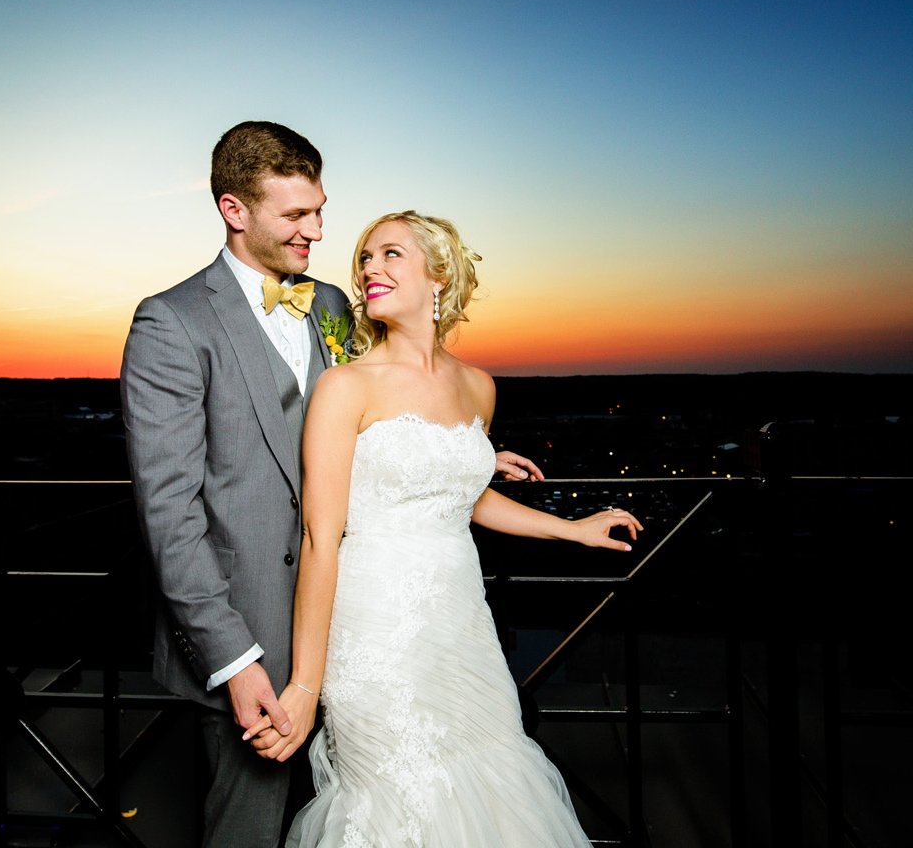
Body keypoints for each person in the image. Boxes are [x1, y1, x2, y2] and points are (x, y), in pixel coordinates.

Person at [121, 127, 545, 847]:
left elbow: (382, 409)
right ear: (235, 209)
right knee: (248, 829)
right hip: (245, 631)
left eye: (320, 210)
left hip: (362, 625)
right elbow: (169, 515)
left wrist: (463, 456)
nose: (318, 231)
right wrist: (232, 659)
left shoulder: (330, 308)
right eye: (296, 216)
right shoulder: (172, 322)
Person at [246, 210, 642, 847]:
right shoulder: (344, 387)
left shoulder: (478, 387)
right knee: (392, 802)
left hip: (463, 631)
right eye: (365, 258)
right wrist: (303, 687)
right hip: (374, 635)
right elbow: (321, 540)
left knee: (490, 785)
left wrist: (574, 529)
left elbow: (466, 499)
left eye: (390, 254)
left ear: (439, 276)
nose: (370, 268)